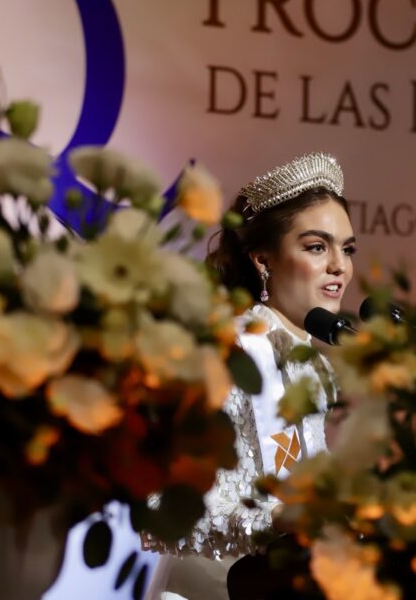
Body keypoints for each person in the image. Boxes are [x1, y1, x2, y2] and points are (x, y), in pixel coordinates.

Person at [142, 152, 356, 600]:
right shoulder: (226, 353)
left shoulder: (313, 365)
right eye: (317, 247)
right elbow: (158, 507)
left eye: (347, 248)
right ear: (263, 260)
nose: (339, 265)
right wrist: (273, 520)